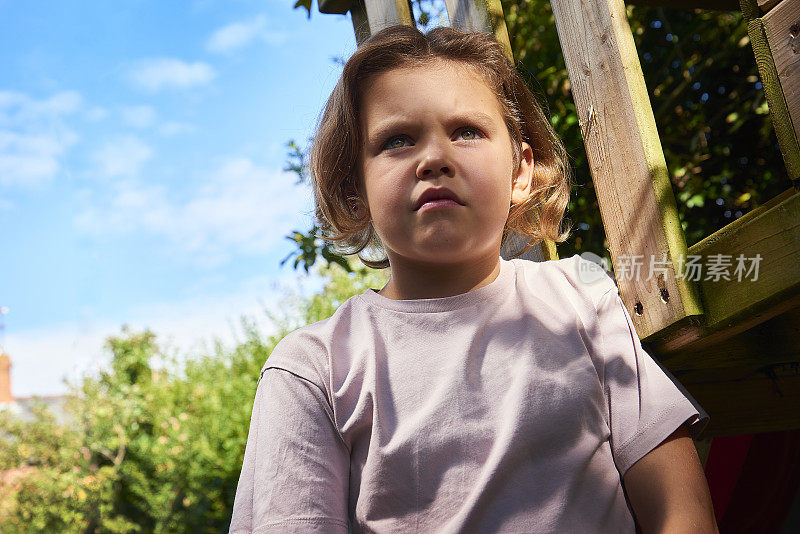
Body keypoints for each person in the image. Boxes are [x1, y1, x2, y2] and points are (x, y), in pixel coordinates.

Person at [230, 24, 717, 533]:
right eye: (397, 141)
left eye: (466, 131)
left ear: (520, 171)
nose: (435, 158)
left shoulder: (582, 297)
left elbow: (680, 512)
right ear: (356, 190)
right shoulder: (314, 369)